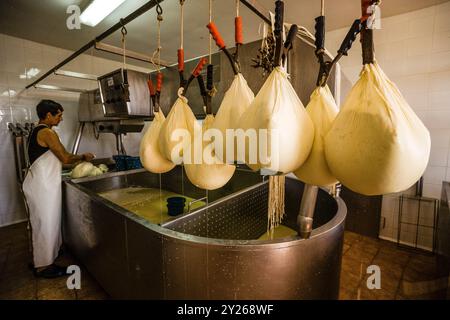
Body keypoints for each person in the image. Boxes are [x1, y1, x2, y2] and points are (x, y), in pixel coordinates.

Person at [22, 100, 95, 278]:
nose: (61, 119)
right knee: (45, 224)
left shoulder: (38, 130)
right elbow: (65, 158)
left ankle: (47, 256)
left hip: (44, 184)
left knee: (49, 222)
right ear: (48, 115)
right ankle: (43, 266)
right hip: (42, 187)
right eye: (58, 115)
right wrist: (84, 156)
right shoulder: (46, 132)